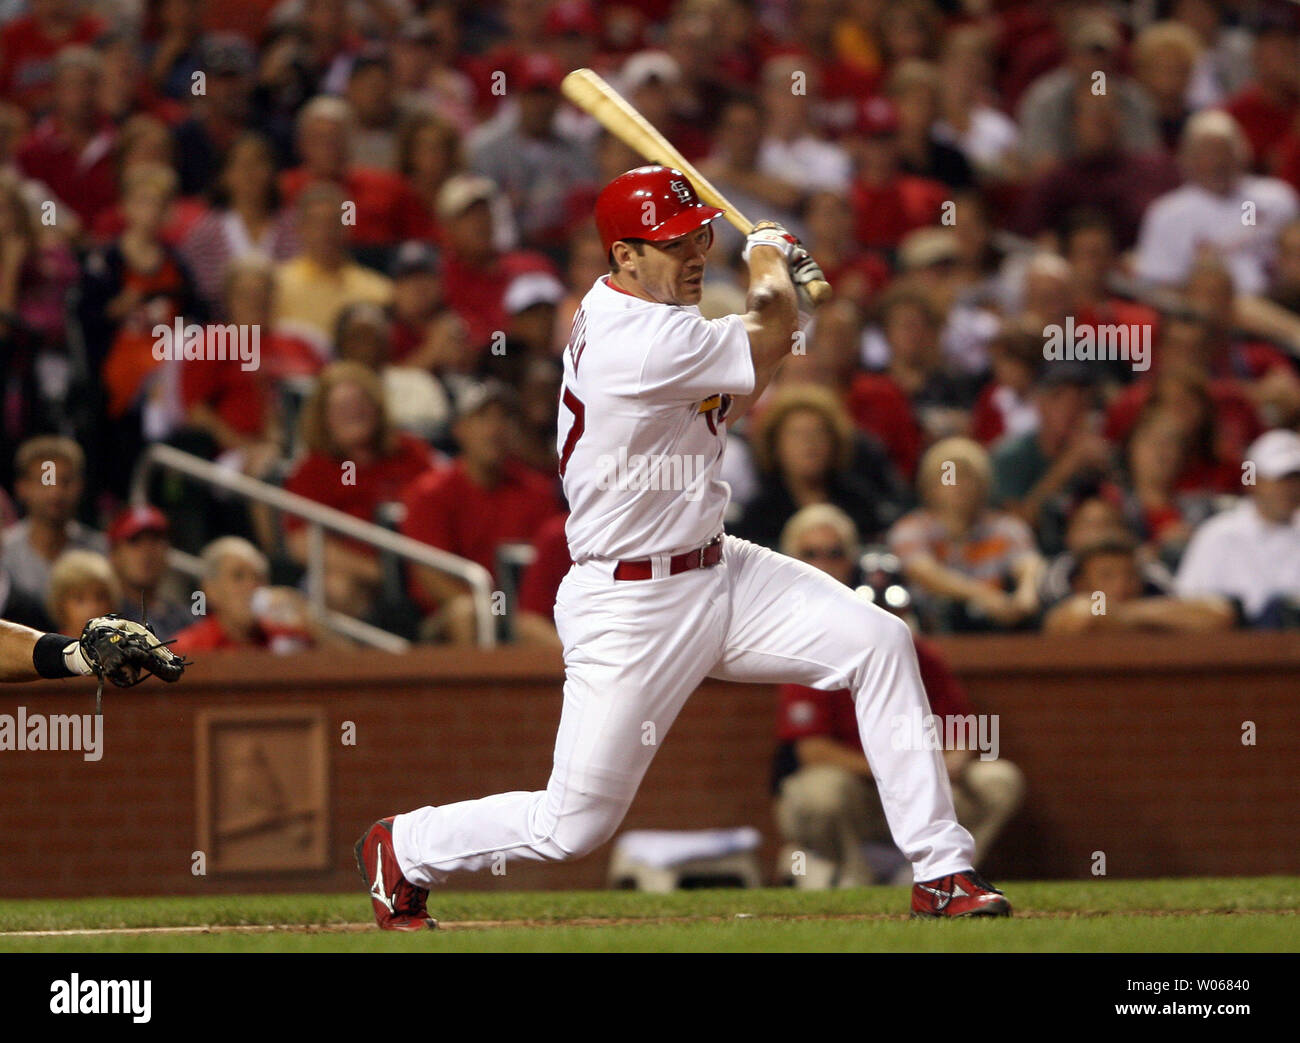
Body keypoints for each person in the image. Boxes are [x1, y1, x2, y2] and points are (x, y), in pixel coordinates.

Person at [356, 165, 1011, 930]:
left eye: (701, 234)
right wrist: (766, 253)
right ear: (624, 257)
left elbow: (752, 373)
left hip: (716, 564)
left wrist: (771, 284)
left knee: (880, 640)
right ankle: (405, 844)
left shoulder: (653, 312)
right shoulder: (636, 341)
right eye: (673, 244)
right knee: (573, 826)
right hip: (631, 603)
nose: (696, 252)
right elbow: (767, 336)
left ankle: (940, 870)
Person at [773, 504, 1025, 885]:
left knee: (999, 779)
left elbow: (969, 729)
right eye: (811, 553)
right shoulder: (812, 645)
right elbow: (812, 751)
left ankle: (937, 873)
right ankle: (852, 875)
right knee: (820, 793)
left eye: (835, 552)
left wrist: (951, 760)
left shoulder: (917, 650)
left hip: (913, 787)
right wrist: (894, 770)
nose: (824, 563)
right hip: (858, 789)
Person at [889, 437, 1046, 632]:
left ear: (983, 484)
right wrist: (982, 595)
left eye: (968, 476)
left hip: (995, 628)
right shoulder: (910, 528)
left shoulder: (1007, 527)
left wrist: (1027, 593)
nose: (958, 484)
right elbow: (925, 573)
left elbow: (1030, 564)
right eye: (949, 475)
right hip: (931, 629)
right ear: (929, 486)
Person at [1174, 428, 1300, 626]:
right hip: (1228, 650)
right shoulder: (1217, 534)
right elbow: (1186, 604)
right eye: (1280, 480)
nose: (1290, 489)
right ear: (1252, 479)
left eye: (1296, 479)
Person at [1043, 533, 1235, 635]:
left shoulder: (1151, 599)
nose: (1122, 584)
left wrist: (1123, 613)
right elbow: (1084, 614)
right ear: (1081, 584)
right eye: (1107, 576)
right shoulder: (1061, 607)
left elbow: (1220, 614)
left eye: (1130, 574)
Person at [2, 437, 106, 607]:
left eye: (65, 482)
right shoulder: (4, 551)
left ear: (80, 486)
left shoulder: (100, 552)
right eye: (45, 482)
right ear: (22, 487)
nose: (55, 493)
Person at [46, 549, 120, 638]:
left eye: (100, 597)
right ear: (60, 605)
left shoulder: (127, 648)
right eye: (79, 599)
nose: (92, 608)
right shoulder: (49, 651)